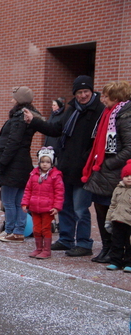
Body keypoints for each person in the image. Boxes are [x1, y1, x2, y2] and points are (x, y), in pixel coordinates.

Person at [24, 75, 105, 257]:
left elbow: (98, 142)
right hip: (66, 166)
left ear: (92, 91)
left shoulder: (99, 110)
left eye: (86, 91)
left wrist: (88, 159)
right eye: (79, 92)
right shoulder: (72, 110)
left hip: (84, 169)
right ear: (74, 94)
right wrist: (35, 121)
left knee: (80, 208)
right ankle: (66, 239)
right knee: (65, 205)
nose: (83, 95)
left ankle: (84, 243)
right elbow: (55, 129)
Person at [81, 81, 131, 264]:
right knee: (101, 213)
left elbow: (129, 148)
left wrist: (109, 164)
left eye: (106, 96)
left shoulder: (125, 117)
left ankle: (118, 251)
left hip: (113, 174)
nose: (102, 99)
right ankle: (106, 248)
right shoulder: (108, 114)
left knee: (115, 216)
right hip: (101, 172)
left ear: (116, 98)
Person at [0, 86, 42, 243]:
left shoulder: (20, 117)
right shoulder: (26, 116)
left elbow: (13, 141)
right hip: (21, 163)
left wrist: (2, 162)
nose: (11, 98)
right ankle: (18, 231)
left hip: (13, 165)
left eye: (14, 96)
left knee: (9, 201)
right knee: (19, 201)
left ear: (19, 99)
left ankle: (11, 230)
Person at [21, 147, 65, 258]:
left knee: (46, 229)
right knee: (36, 229)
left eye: (48, 162)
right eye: (42, 162)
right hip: (35, 207)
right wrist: (25, 203)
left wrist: (56, 207)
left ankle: (46, 250)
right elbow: (28, 190)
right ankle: (39, 248)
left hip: (47, 209)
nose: (45, 164)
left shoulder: (55, 176)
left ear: (52, 163)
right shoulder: (33, 175)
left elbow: (59, 192)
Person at [105, 160, 131, 273]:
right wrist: (108, 220)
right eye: (126, 176)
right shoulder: (118, 189)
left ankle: (129, 262)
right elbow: (113, 205)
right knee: (116, 243)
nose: (129, 178)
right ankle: (115, 261)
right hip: (117, 220)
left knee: (129, 244)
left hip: (129, 222)